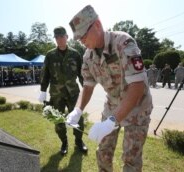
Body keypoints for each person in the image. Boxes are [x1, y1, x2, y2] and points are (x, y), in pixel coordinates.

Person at [67, 5, 153, 171]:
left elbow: (137, 86)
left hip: (137, 107)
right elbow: (87, 85)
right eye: (79, 38)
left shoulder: (123, 42)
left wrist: (112, 121)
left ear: (97, 25)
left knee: (131, 159)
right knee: (103, 151)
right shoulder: (88, 56)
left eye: (83, 35)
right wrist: (77, 110)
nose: (82, 41)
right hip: (112, 105)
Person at [38, 26, 88, 155]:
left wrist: (86, 88)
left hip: (73, 93)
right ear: (55, 39)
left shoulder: (75, 54)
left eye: (62, 37)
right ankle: (64, 142)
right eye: (57, 37)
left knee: (78, 119)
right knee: (58, 121)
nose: (60, 39)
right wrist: (43, 90)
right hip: (57, 94)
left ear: (67, 37)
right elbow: (45, 74)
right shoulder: (50, 55)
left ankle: (78, 141)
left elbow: (81, 74)